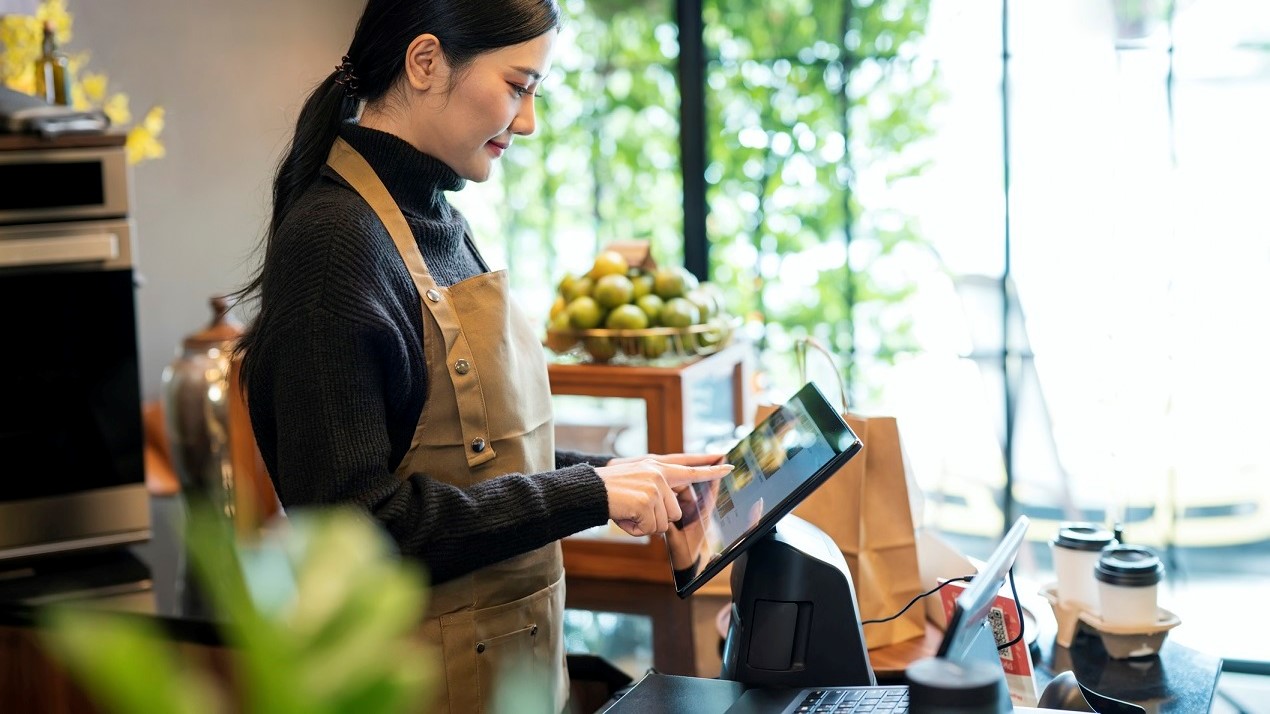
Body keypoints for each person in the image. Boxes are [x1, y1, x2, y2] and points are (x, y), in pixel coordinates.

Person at [233, 1, 732, 712]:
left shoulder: (437, 219)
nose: (526, 121)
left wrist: (624, 477)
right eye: (518, 85)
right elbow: (353, 534)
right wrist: (588, 494)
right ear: (426, 62)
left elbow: (471, 464)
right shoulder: (336, 249)